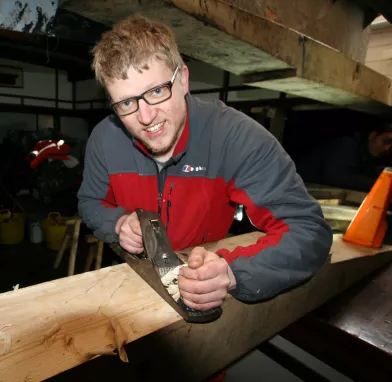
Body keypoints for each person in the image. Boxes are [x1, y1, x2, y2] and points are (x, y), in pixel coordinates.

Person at [77, 15, 332, 377]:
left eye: (155, 91)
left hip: (204, 290)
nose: (146, 116)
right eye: (126, 104)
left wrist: (232, 272)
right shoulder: (105, 138)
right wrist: (115, 222)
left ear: (182, 78)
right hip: (127, 293)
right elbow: (88, 202)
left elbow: (310, 232)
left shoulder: (236, 138)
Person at [295, 125, 392, 192]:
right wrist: (381, 184)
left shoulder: (369, 160)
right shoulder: (347, 145)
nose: (387, 148)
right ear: (373, 135)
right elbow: (336, 176)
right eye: (386, 141)